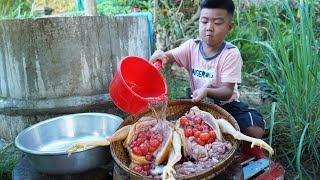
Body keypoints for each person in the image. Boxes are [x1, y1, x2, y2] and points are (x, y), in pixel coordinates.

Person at [150, 0, 267, 159]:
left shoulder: (231, 53)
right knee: (173, 124)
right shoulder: (191, 46)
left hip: (227, 105)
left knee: (255, 130)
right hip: (197, 104)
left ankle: (249, 148)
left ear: (229, 27)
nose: (209, 27)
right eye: (204, 21)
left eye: (217, 23)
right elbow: (168, 57)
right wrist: (161, 54)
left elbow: (227, 91)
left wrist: (206, 90)